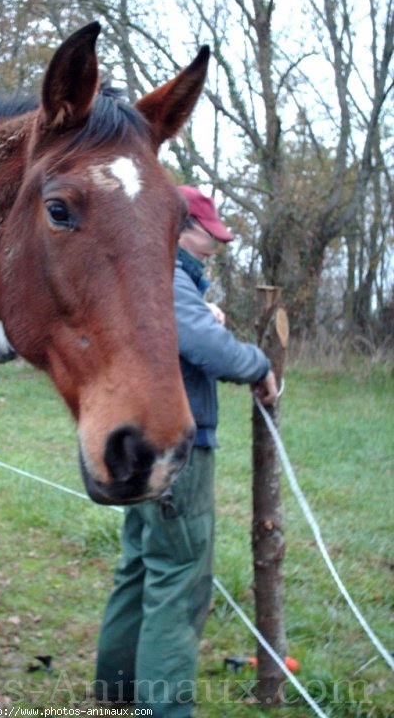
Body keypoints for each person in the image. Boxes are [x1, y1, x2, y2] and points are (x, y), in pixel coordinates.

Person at [95, 186, 278, 716]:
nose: (214, 248)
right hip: (174, 450)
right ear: (177, 229)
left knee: (138, 568)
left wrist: (202, 308)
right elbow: (205, 347)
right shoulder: (166, 276)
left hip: (130, 444)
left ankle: (116, 695)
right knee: (178, 579)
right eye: (207, 236)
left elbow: (182, 331)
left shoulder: (137, 275)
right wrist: (259, 364)